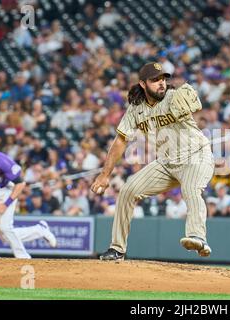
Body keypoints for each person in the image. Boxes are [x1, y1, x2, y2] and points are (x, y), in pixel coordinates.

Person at [91, 62, 215, 260]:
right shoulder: (136, 110)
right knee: (128, 190)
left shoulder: (173, 97)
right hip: (167, 163)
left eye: (164, 79)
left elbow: (195, 103)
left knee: (191, 189)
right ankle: (117, 249)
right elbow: (121, 140)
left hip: (196, 156)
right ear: (143, 83)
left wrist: (191, 100)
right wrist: (105, 175)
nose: (161, 83)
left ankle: (197, 236)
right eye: (155, 80)